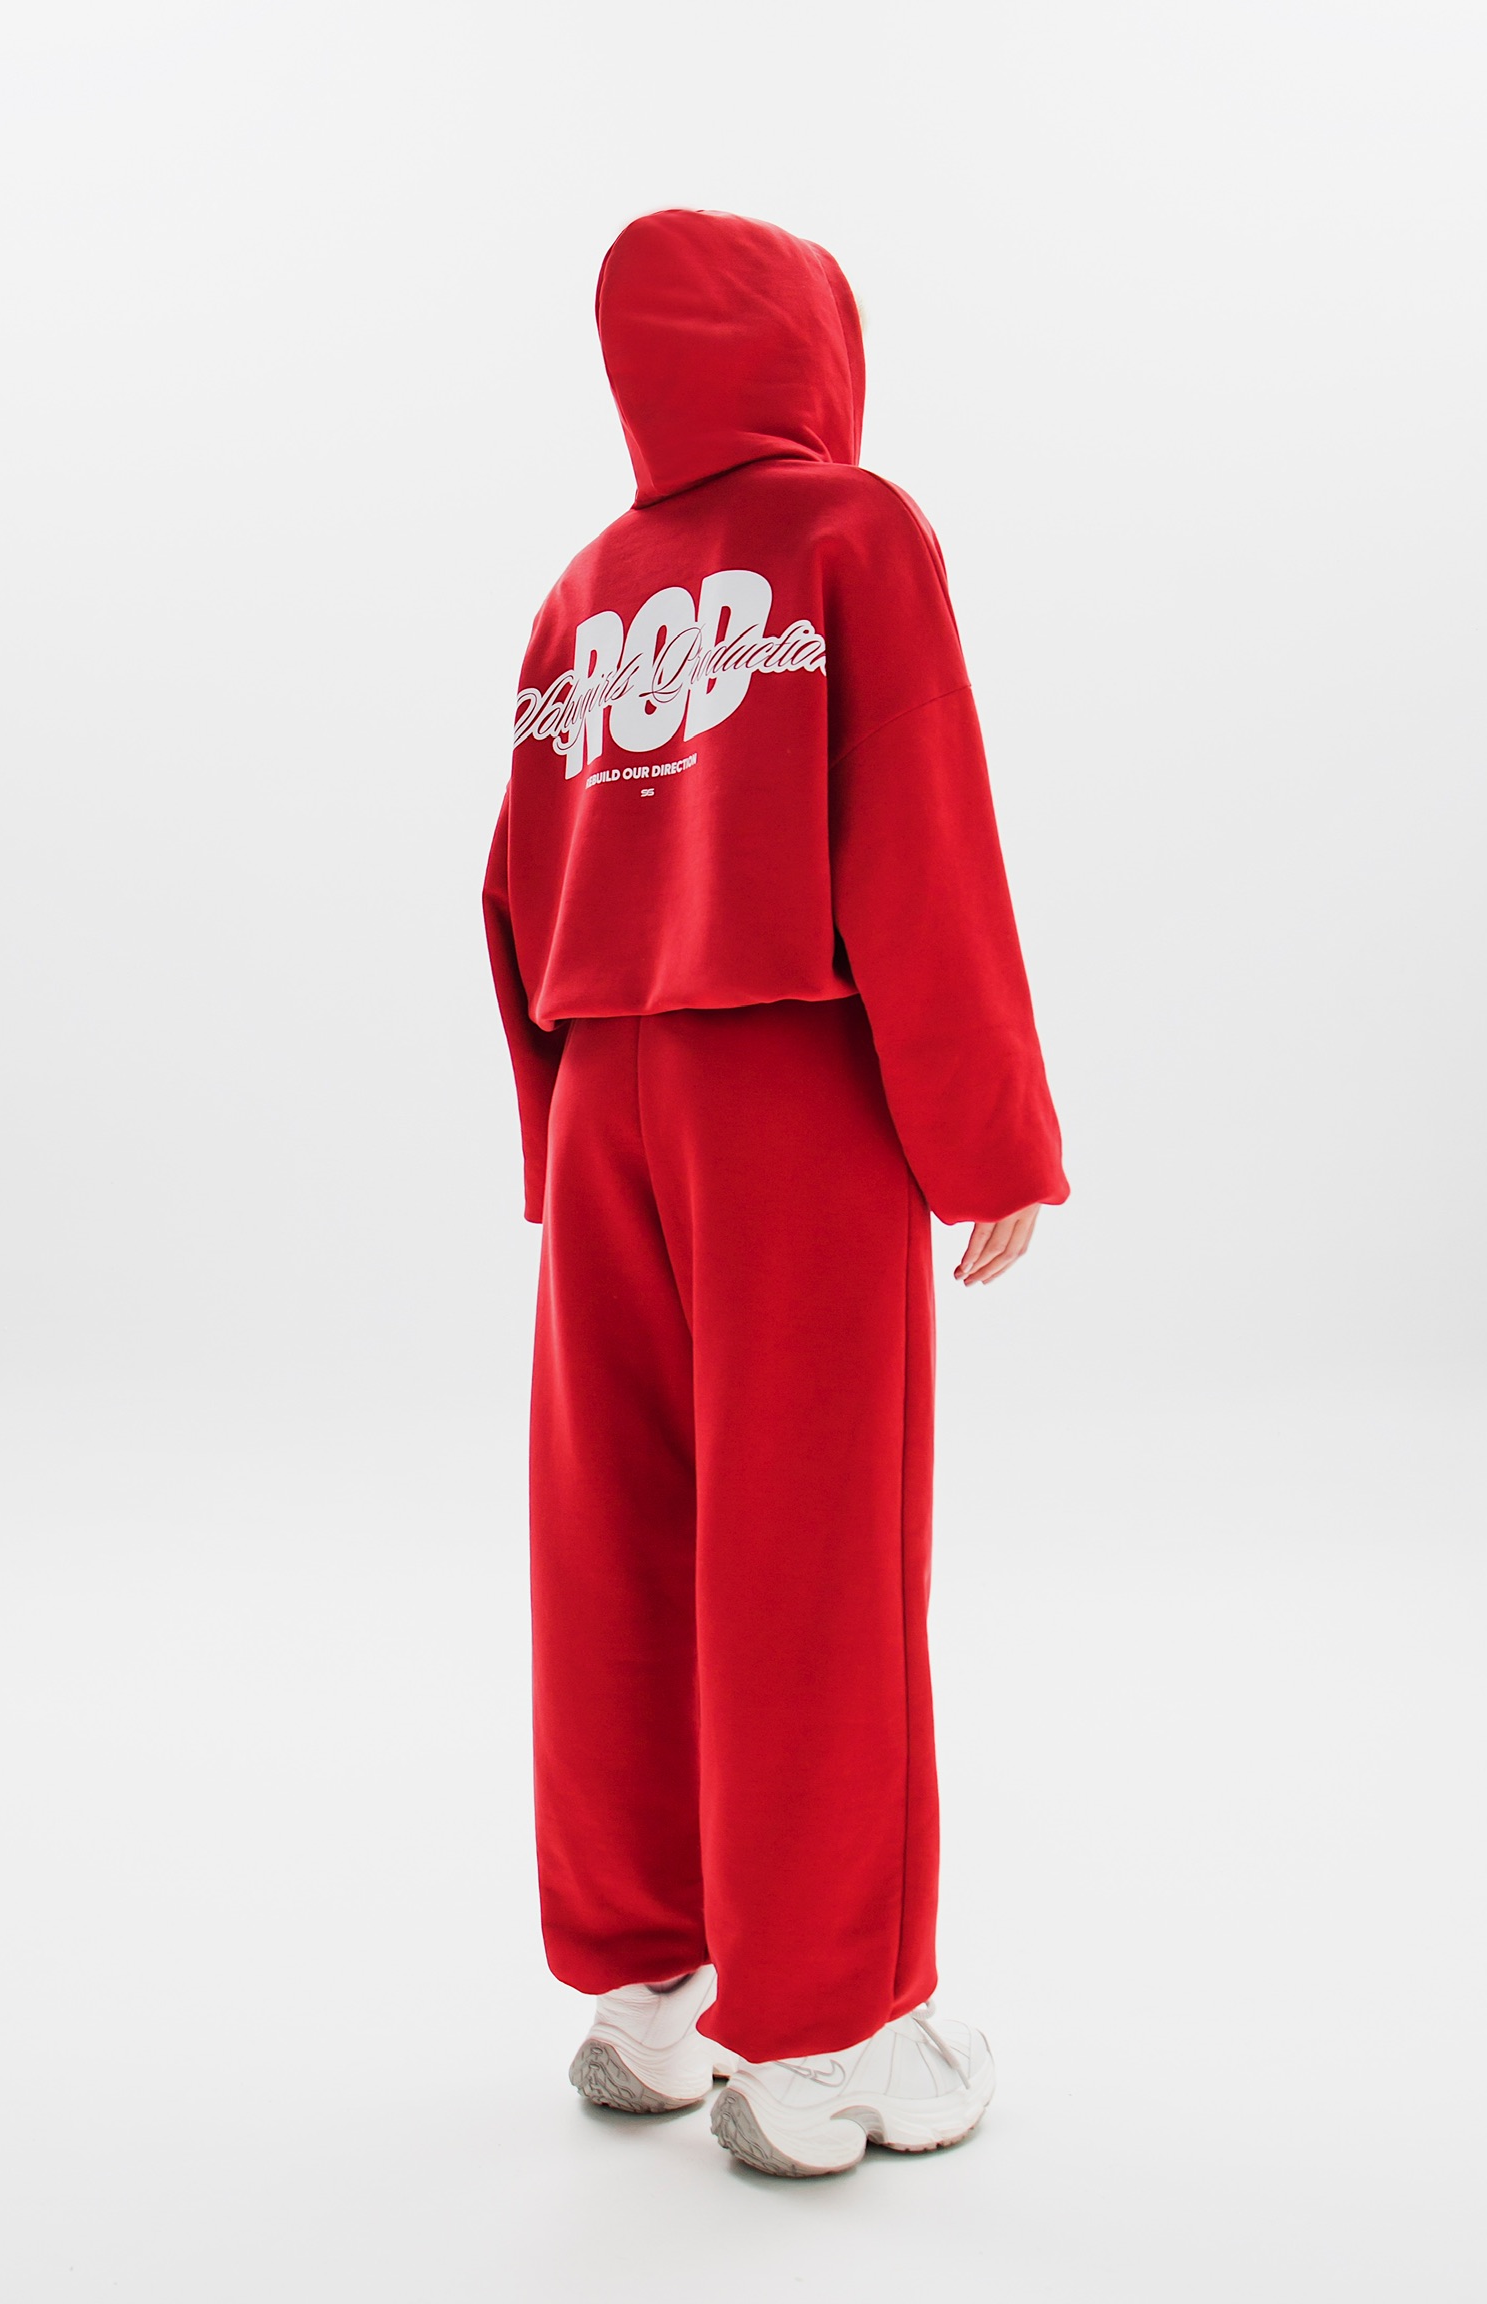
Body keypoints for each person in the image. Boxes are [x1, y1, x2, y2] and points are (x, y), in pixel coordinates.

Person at [483, 208, 1067, 2179]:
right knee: (813, 1546)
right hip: (789, 1092)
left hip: (605, 1091)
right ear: (815, 345)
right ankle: (828, 2041)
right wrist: (987, 1134)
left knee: (620, 1540)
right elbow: (918, 825)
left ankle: (646, 1996)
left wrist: (554, 1128)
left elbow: (512, 882)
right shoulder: (852, 530)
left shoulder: (582, 589)